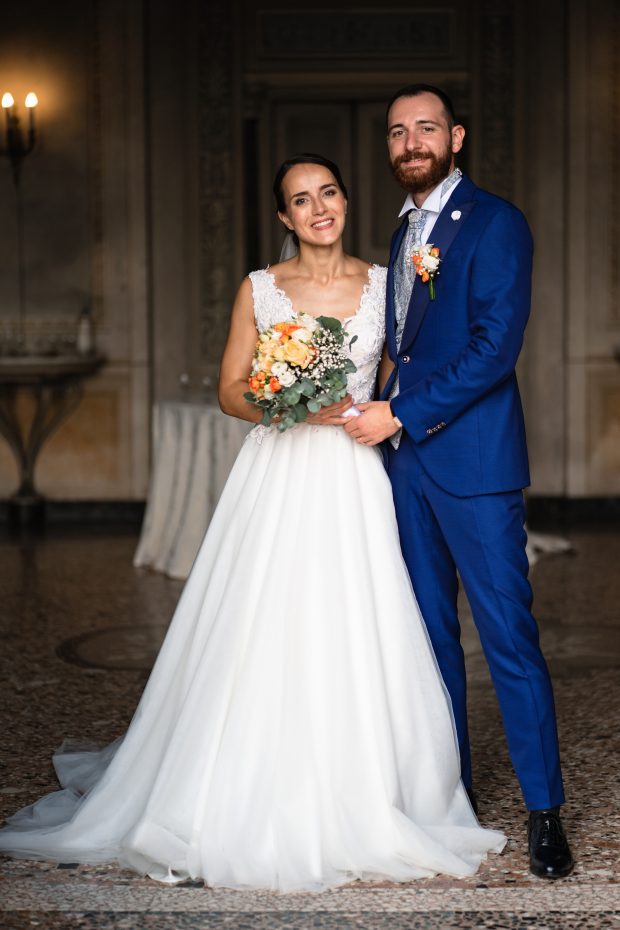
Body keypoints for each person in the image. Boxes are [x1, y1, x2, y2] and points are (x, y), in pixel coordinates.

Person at [0, 153, 505, 892]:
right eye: (301, 200)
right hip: (278, 474)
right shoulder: (260, 289)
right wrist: (286, 396)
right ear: (284, 217)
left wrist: (374, 412)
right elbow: (230, 390)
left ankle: (371, 787)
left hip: (355, 477)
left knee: (357, 622)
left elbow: (399, 377)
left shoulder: (385, 284)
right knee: (263, 620)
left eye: (328, 192)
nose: (319, 208)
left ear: (344, 199)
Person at [342, 85, 574, 879]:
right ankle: (453, 798)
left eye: (426, 128)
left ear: (456, 137)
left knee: (508, 638)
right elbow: (405, 349)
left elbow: (493, 349)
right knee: (429, 641)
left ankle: (545, 811)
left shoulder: (496, 222)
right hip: (405, 469)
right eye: (397, 132)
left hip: (474, 466)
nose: (411, 142)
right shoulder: (401, 232)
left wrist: (400, 412)